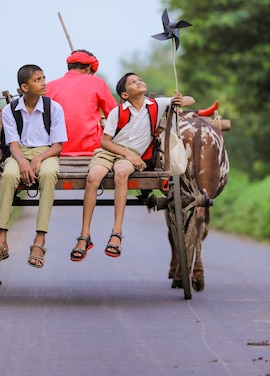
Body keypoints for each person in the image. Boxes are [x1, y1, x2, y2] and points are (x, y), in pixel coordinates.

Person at [70, 72, 195, 262]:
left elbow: (190, 100)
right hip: (111, 152)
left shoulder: (156, 105)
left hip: (132, 156)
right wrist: (126, 154)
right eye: (132, 82)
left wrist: (180, 99)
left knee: (122, 173)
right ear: (125, 95)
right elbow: (105, 142)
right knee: (93, 177)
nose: (138, 82)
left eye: (139, 80)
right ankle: (84, 235)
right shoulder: (118, 112)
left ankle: (116, 232)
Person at [0, 64, 67, 269]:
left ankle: (39, 240)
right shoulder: (11, 110)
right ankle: (0, 240)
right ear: (24, 87)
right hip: (19, 153)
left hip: (46, 152)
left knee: (48, 174)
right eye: (38, 80)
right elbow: (12, 144)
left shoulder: (53, 107)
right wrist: (22, 162)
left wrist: (38, 159)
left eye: (44, 78)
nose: (44, 83)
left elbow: (57, 145)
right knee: (9, 175)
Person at [46, 49, 117, 156]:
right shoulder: (97, 82)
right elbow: (115, 115)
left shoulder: (49, 86)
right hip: (92, 149)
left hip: (56, 150)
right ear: (89, 68)